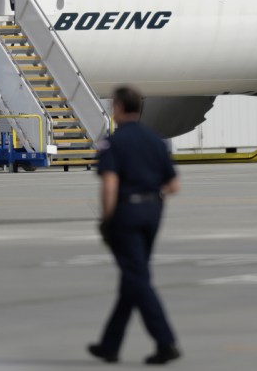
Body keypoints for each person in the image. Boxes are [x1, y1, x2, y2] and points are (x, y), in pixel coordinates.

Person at [88, 86, 181, 365]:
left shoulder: (113, 143)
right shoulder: (156, 141)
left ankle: (165, 342)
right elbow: (173, 185)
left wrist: (107, 218)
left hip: (127, 212)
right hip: (153, 210)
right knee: (134, 276)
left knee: (137, 279)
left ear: (117, 108)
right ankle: (109, 345)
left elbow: (110, 182)